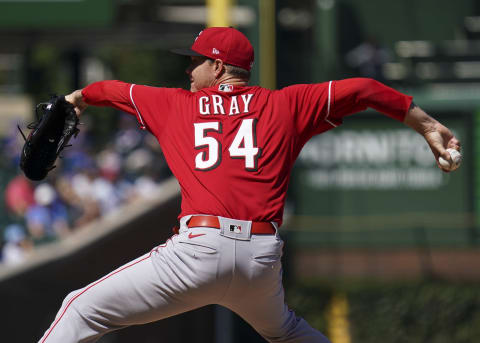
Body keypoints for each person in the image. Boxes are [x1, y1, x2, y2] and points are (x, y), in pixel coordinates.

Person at [38, 27, 461, 343]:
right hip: (260, 261)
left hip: (196, 254)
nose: (189, 68)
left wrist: (76, 98)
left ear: (218, 67)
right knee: (286, 332)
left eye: (196, 61)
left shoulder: (173, 104)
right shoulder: (286, 105)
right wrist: (426, 125)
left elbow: (111, 89)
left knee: (81, 309)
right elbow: (366, 89)